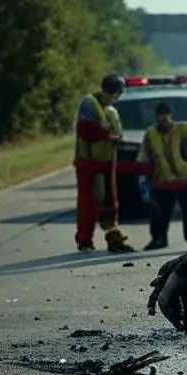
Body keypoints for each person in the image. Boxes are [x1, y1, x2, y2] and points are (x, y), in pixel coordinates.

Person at [72, 73, 137, 253]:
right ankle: (85, 240)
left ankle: (113, 237)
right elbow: (86, 129)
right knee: (89, 202)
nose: (114, 99)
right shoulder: (89, 104)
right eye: (114, 94)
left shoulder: (111, 110)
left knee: (109, 201)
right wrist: (108, 136)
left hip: (106, 162)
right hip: (89, 163)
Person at [137, 102, 187, 251]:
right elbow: (143, 159)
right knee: (158, 213)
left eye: (165, 115)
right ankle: (159, 239)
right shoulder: (150, 134)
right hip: (162, 180)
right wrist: (145, 182)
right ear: (156, 117)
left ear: (171, 115)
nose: (163, 119)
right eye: (160, 115)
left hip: (186, 178)